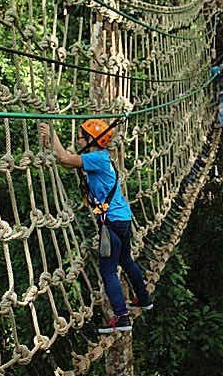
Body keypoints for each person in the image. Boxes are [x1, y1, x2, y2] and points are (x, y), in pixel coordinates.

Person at [39, 119, 151, 334]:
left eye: (81, 136)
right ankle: (144, 298)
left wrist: (52, 134)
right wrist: (50, 144)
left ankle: (121, 317)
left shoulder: (97, 158)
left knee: (108, 270)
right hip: (122, 218)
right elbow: (67, 162)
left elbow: (65, 158)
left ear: (90, 139)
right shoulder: (99, 158)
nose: (78, 139)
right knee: (126, 260)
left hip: (111, 223)